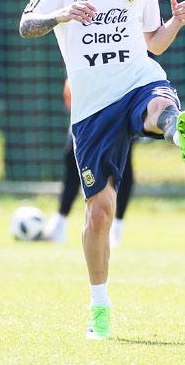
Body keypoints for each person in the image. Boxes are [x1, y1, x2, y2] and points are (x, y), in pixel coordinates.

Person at [18, 0, 185, 340]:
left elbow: (153, 45)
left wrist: (174, 23)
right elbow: (26, 25)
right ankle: (99, 306)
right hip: (92, 110)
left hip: (138, 82)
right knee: (99, 213)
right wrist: (62, 15)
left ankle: (178, 129)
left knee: (158, 103)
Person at [44, 79, 134, 248]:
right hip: (87, 107)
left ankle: (117, 227)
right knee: (73, 159)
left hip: (119, 103)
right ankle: (59, 223)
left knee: (122, 164)